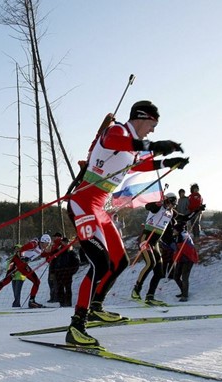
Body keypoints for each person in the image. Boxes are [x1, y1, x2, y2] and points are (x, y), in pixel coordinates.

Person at [65, 100, 188, 346]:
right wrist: (152, 145)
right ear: (142, 118)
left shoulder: (132, 146)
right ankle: (77, 326)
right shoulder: (119, 131)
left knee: (119, 262)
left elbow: (139, 164)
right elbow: (112, 142)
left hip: (99, 207)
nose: (152, 130)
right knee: (99, 263)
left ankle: (96, 306)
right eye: (153, 124)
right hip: (83, 203)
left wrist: (167, 162)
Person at [130, 193, 180, 305]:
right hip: (146, 239)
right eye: (170, 203)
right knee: (150, 263)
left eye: (173, 204)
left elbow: (180, 216)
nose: (171, 206)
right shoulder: (157, 207)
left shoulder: (171, 212)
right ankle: (136, 290)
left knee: (159, 272)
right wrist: (158, 203)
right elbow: (148, 207)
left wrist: (196, 211)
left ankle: (150, 296)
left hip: (155, 242)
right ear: (166, 200)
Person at [0, 234, 51, 308]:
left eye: (48, 244)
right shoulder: (34, 244)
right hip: (17, 262)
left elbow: (43, 254)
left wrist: (53, 254)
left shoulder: (41, 248)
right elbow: (21, 250)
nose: (47, 246)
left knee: (35, 282)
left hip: (19, 263)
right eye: (47, 244)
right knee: (7, 281)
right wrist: (23, 257)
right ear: (43, 241)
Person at [171, 222, 199, 301]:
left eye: (174, 229)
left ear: (178, 230)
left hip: (188, 259)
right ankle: (183, 291)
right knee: (176, 276)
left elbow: (187, 248)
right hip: (181, 259)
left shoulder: (184, 236)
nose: (173, 230)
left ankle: (185, 295)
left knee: (184, 277)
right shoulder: (178, 236)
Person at [53, 237, 80, 307]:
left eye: (66, 242)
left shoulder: (71, 252)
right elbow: (54, 262)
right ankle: (62, 303)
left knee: (68, 288)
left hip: (67, 273)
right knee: (59, 289)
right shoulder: (58, 251)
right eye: (63, 242)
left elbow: (77, 263)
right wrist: (53, 272)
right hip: (59, 272)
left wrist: (71, 272)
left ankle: (68, 303)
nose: (65, 243)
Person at [46, 232, 63, 303]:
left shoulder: (60, 244)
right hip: (52, 265)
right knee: (51, 281)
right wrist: (48, 258)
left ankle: (56, 297)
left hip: (57, 265)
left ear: (58, 237)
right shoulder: (53, 245)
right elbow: (49, 253)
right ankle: (52, 297)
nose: (54, 238)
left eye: (55, 237)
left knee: (55, 282)